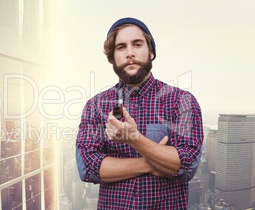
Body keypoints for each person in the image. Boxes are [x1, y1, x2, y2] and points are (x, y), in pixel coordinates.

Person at [75, 17, 203, 209]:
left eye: (137, 44)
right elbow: (89, 168)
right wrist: (154, 162)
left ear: (151, 52)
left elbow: (186, 165)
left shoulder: (181, 101)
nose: (130, 53)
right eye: (121, 47)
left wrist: (134, 139)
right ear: (112, 57)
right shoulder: (96, 105)